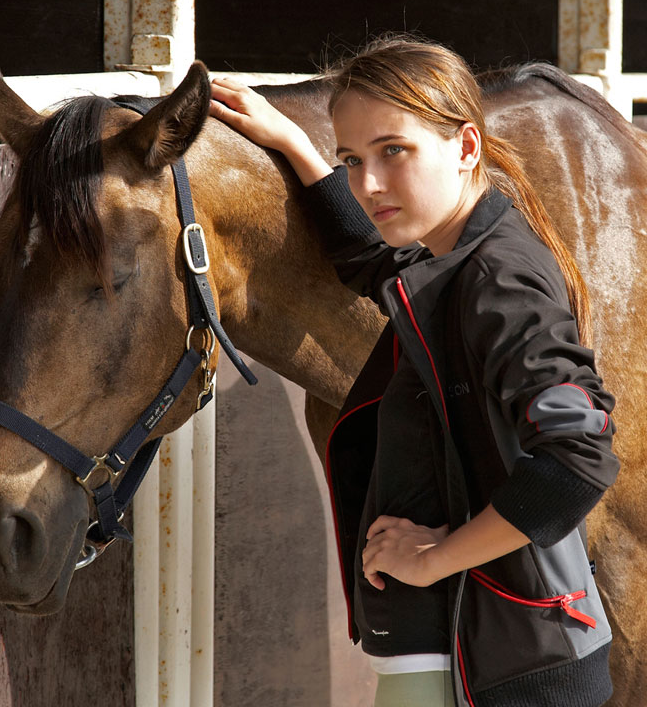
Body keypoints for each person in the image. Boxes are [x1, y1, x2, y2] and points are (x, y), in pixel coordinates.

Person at [208, 35, 619, 707]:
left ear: (465, 147)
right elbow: (375, 265)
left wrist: (436, 558)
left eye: (393, 150)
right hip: (466, 646)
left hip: (502, 667)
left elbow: (579, 457)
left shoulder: (499, 281)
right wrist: (297, 149)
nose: (368, 184)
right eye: (352, 159)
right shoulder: (454, 257)